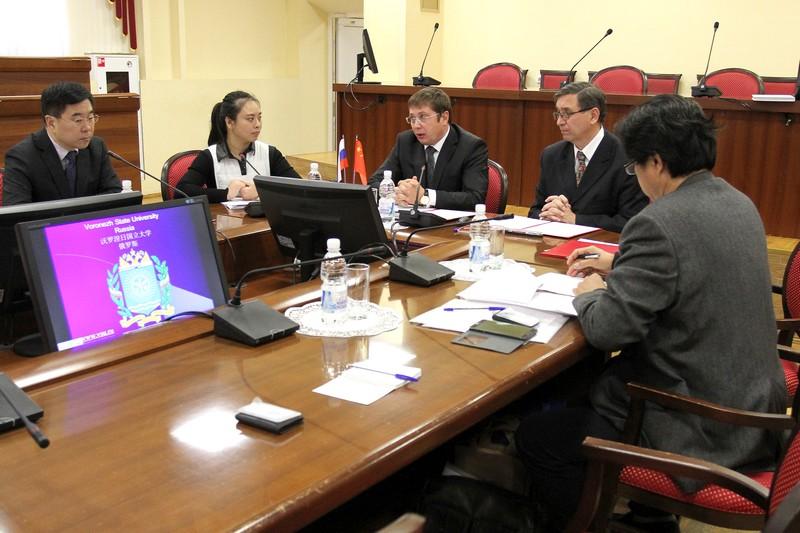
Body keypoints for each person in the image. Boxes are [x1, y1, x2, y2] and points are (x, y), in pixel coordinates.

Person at [515, 95, 786, 532]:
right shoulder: (736, 201)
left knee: (539, 436)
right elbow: (691, 266)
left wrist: (590, 292)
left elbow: (608, 331)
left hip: (698, 422)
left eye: (634, 166)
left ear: (656, 162)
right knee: (574, 390)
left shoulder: (658, 221)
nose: (635, 176)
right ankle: (645, 514)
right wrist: (621, 262)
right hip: (750, 399)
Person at [528, 82, 647, 232]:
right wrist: (549, 214)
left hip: (601, 244)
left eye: (567, 114)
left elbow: (630, 222)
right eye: (558, 114)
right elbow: (535, 211)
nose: (559, 122)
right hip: (553, 241)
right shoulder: (552, 155)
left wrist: (575, 220)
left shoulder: (627, 157)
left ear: (593, 115)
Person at [369, 87, 488, 211]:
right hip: (411, 220)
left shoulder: (471, 146)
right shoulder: (406, 141)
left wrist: (424, 196)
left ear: (444, 117)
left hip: (451, 222)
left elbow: (475, 198)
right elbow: (374, 182)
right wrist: (398, 194)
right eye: (412, 119)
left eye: (423, 117)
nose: (416, 125)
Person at [3, 81, 121, 205]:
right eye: (78, 120)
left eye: (90, 118)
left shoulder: (96, 147)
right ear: (51, 123)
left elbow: (113, 193)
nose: (87, 128)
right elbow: (17, 210)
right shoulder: (22, 157)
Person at [177, 90, 300, 202]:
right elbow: (181, 191)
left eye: (259, 118)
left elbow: (300, 188)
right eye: (250, 119)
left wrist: (263, 191)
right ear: (230, 122)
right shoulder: (209, 157)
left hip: (265, 219)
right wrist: (225, 194)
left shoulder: (270, 153)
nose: (258, 124)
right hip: (224, 219)